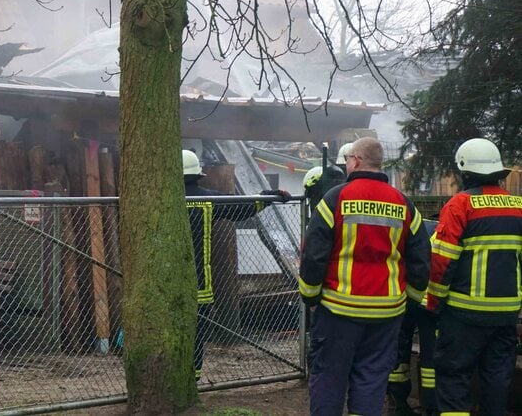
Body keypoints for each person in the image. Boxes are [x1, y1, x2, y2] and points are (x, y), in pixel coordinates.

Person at [299, 137, 430, 416]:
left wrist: (310, 297)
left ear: (356, 160)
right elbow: (421, 260)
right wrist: (408, 302)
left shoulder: (335, 198)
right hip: (387, 313)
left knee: (330, 378)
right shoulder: (403, 203)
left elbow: (313, 255)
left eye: (347, 160)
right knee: (371, 378)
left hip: (338, 309)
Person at [426, 138, 522, 416]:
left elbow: (442, 262)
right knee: (497, 381)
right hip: (505, 314)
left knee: (454, 378)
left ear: (464, 172)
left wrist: (434, 303)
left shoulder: (460, 205)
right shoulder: (518, 207)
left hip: (463, 315)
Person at [183, 149, 283, 376]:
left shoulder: (160, 202)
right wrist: (267, 197)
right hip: (200, 284)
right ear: (197, 174)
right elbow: (240, 208)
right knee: (197, 332)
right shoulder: (207, 199)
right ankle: (193, 378)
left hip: (165, 286)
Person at [386, 217, 439, 416]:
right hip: (427, 300)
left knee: (399, 352)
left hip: (403, 296)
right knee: (430, 356)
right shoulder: (438, 230)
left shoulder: (407, 228)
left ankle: (397, 404)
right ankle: (431, 407)